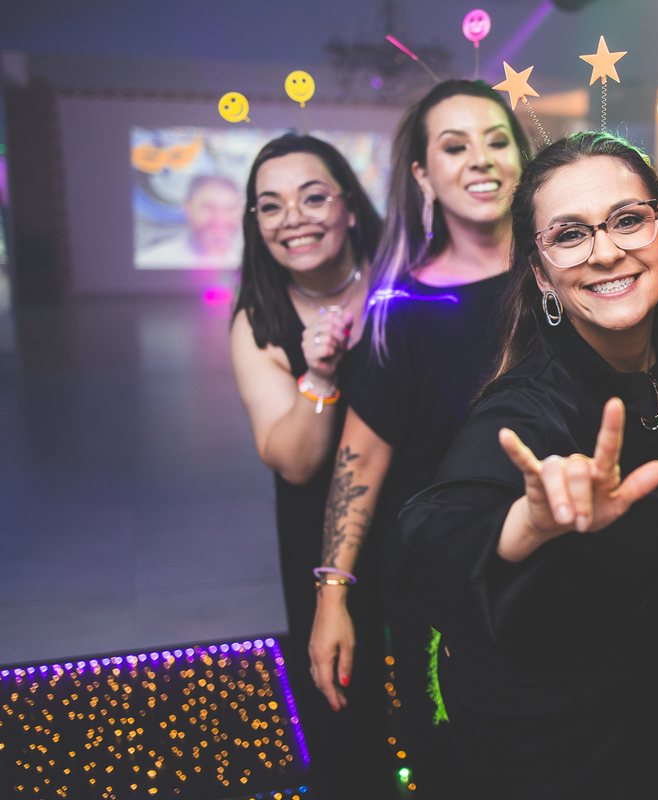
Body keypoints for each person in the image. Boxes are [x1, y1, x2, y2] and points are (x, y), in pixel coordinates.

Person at [389, 132, 658, 798]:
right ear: (542, 273)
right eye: (571, 235)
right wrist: (527, 521)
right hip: (553, 741)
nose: (606, 251)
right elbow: (428, 534)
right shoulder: (527, 404)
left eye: (628, 220)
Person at [307, 79, 530, 792]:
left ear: (521, 159)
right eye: (455, 147)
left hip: (565, 571)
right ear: (423, 176)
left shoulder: (568, 275)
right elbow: (359, 461)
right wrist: (332, 597)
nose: (481, 160)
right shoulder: (400, 307)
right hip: (445, 591)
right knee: (456, 767)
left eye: (497, 141)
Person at [229, 134, 390, 796]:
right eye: (271, 206)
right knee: (344, 708)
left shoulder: (405, 280)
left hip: (419, 508)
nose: (292, 217)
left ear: (348, 206)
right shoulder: (260, 320)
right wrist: (319, 375)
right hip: (321, 532)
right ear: (257, 224)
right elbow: (293, 463)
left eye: (313, 197)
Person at [140, 175, 244, 268]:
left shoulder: (248, 260)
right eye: (208, 208)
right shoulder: (152, 261)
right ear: (188, 208)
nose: (219, 218)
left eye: (230, 209)